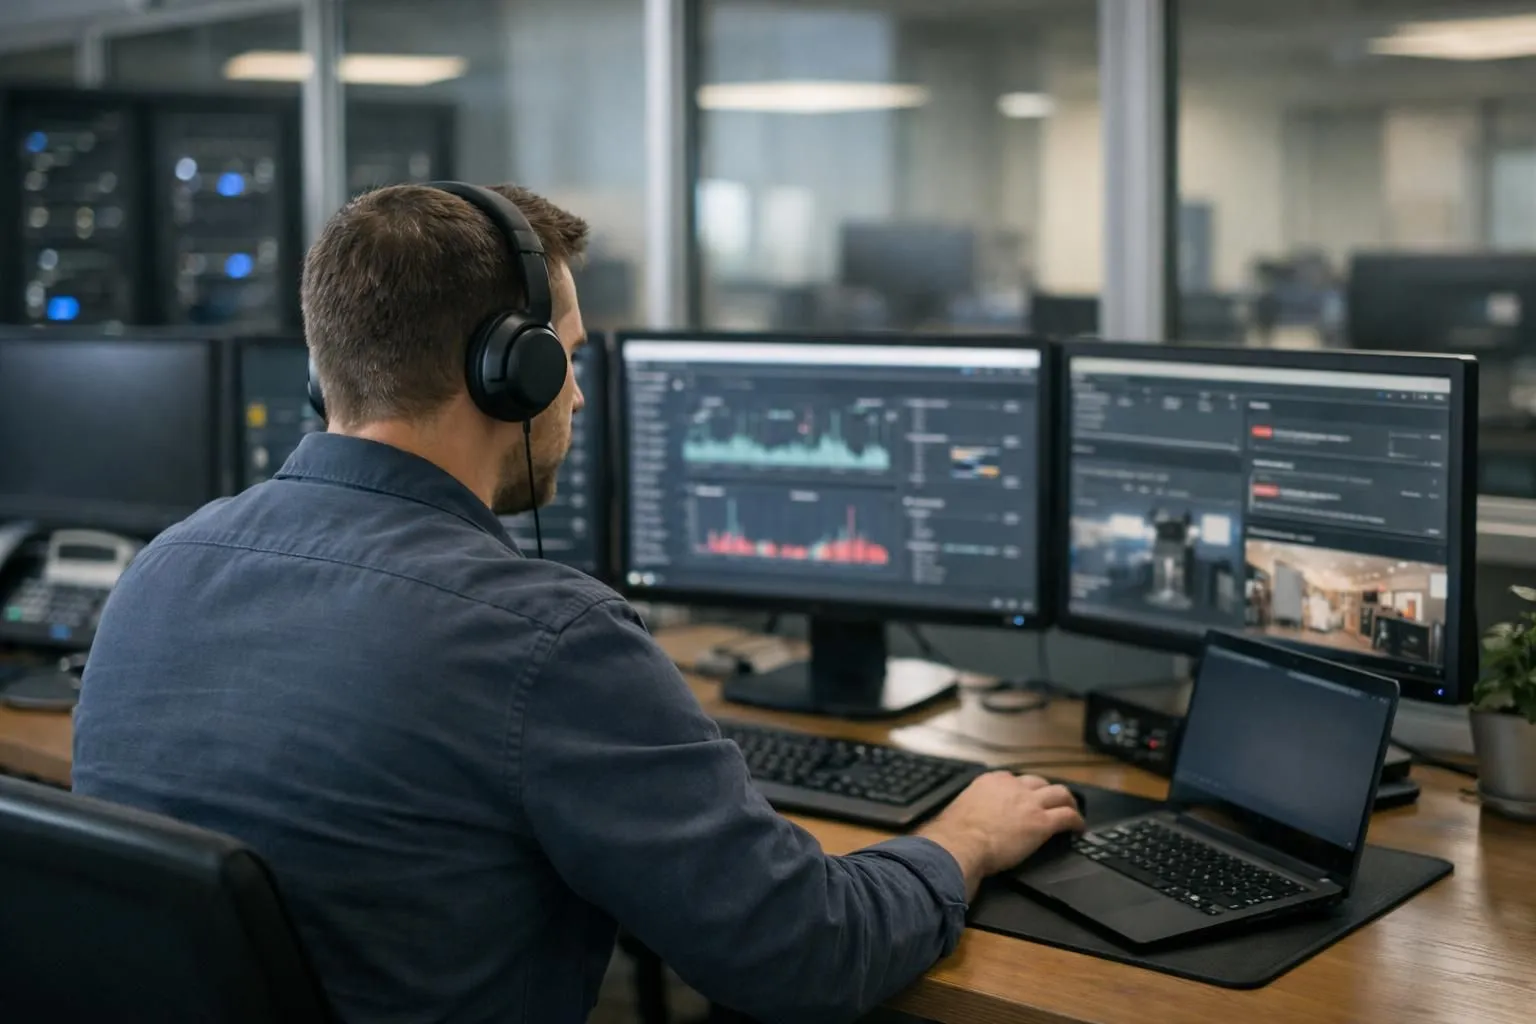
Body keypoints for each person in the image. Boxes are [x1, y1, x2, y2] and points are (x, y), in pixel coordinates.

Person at [72, 183, 1083, 1024]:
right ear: (512, 373)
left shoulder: (159, 572)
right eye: (570, 355)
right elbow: (805, 955)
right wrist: (965, 840)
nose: (580, 396)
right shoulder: (543, 641)